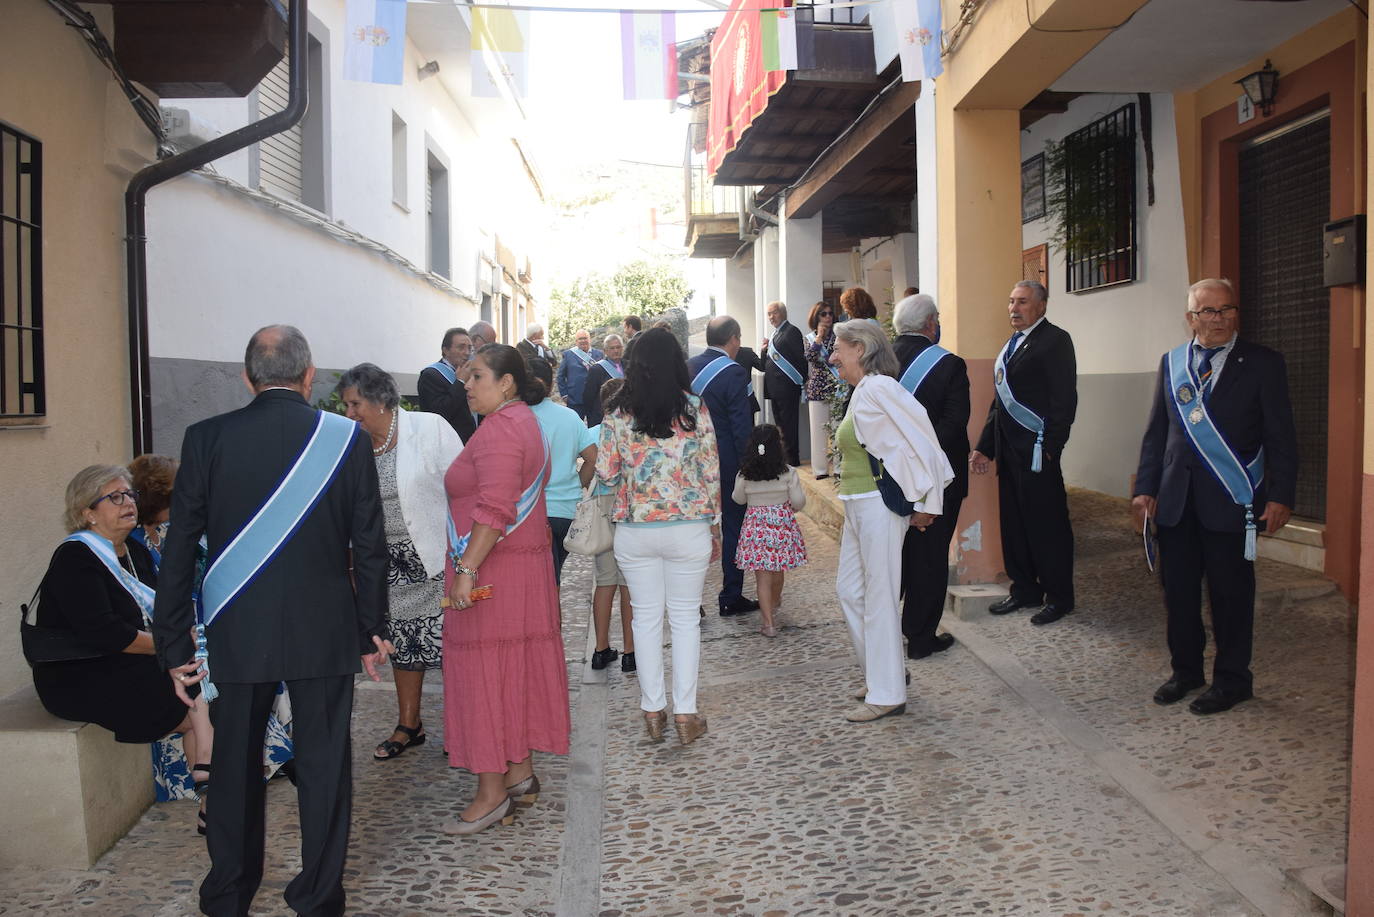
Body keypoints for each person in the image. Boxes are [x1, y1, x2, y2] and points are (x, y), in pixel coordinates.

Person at [152, 325, 391, 917]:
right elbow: (369, 542)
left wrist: (174, 641)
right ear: (309, 377)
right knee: (325, 764)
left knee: (233, 763)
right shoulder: (346, 438)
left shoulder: (206, 438)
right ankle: (318, 896)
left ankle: (229, 892)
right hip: (325, 626)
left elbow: (179, 548)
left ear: (247, 378)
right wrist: (371, 628)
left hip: (238, 624)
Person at [1132, 279, 1298, 715]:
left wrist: (1280, 494)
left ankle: (1233, 680)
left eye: (1227, 309)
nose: (1220, 319)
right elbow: (1157, 433)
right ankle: (1186, 672)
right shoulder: (1172, 363)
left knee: (1231, 596)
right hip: (1176, 501)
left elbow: (1281, 435)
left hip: (1232, 500)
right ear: (1191, 318)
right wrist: (1145, 489)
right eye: (1209, 311)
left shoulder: (1264, 363)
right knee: (1180, 596)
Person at [32, 465, 215, 823]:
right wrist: (173, 648)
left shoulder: (133, 550)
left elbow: (162, 614)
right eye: (115, 497)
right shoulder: (76, 558)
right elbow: (106, 634)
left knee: (204, 679)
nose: (128, 503)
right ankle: (212, 793)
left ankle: (212, 799)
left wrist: (182, 643)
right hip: (79, 675)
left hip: (129, 662)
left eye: (130, 495)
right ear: (87, 512)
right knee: (198, 691)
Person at [442, 344, 571, 834]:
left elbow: (495, 508)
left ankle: (491, 794)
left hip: (492, 574)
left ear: (506, 382)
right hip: (520, 570)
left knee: (486, 677)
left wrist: (466, 569)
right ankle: (519, 773)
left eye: (476, 376)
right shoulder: (523, 422)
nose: (467, 385)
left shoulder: (499, 429)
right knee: (512, 670)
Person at [596, 327, 721, 746]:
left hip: (636, 529)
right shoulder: (694, 408)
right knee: (685, 621)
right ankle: (685, 714)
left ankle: (653, 711)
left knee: (645, 620)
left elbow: (606, 474)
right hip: (689, 526)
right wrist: (715, 525)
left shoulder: (617, 413)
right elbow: (711, 471)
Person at [337, 363, 463, 760]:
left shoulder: (429, 428)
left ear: (379, 400)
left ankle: (463, 728)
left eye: (355, 404)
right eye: (346, 406)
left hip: (435, 557)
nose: (349, 413)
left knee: (452, 645)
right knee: (403, 644)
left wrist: (467, 556)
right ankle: (409, 724)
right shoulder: (353, 445)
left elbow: (464, 488)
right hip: (386, 568)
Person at [829, 320, 953, 723]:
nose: (832, 356)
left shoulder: (880, 388)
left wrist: (930, 501)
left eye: (838, 348)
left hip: (877, 505)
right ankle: (884, 673)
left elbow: (925, 441)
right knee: (850, 592)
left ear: (860, 349)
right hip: (857, 503)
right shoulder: (863, 390)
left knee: (879, 596)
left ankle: (887, 694)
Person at [971, 280, 1078, 626]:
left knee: (1047, 526)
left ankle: (1058, 597)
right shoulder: (1012, 344)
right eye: (1011, 301)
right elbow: (999, 403)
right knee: (1015, 526)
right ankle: (1025, 590)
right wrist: (985, 447)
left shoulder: (1055, 340)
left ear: (1041, 306)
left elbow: (1064, 400)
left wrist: (1051, 448)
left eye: (1022, 302)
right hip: (1009, 452)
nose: (1014, 309)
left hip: (1037, 454)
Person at [892, 294, 970, 660]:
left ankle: (886, 632)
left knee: (895, 555)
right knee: (930, 557)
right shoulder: (949, 364)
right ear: (929, 324)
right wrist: (920, 457)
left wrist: (902, 457)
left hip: (892, 477)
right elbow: (954, 424)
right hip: (937, 481)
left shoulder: (880, 360)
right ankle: (921, 637)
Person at [687, 316, 759, 618]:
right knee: (733, 527)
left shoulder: (688, 368)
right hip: (726, 460)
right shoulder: (734, 371)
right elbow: (742, 426)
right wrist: (750, 465)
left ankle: (691, 601)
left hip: (691, 461)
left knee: (692, 529)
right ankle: (730, 595)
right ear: (734, 338)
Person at [525, 356, 598, 584]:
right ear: (551, 384)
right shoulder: (569, 417)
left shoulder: (515, 418)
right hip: (565, 510)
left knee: (538, 581)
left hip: (529, 511)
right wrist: (576, 485)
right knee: (552, 577)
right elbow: (592, 458)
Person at [732, 424, 807, 637]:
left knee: (762, 578)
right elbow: (798, 501)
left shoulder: (745, 473)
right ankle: (775, 601)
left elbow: (738, 499)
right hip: (781, 526)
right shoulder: (788, 472)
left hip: (756, 528)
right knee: (778, 569)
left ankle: (768, 624)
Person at [587, 378, 635, 673]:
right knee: (629, 582)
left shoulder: (593, 432)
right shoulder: (632, 428)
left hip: (603, 506)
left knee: (604, 581)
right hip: (627, 505)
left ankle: (600, 649)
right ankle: (631, 651)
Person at [759, 301, 806, 467]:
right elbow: (763, 364)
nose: (771, 317)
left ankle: (792, 459)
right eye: (769, 314)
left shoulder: (791, 331)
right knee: (780, 425)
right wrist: (763, 350)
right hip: (774, 389)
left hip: (787, 388)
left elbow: (800, 358)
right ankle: (784, 457)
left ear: (783, 313)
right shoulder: (774, 335)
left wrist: (803, 381)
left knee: (789, 425)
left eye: (774, 313)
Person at [804, 301, 843, 479]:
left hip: (837, 387)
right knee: (818, 432)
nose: (828, 317)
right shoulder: (809, 338)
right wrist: (819, 338)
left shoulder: (838, 336)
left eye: (830, 313)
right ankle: (820, 470)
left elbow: (838, 357)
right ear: (816, 316)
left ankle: (839, 468)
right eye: (823, 314)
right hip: (817, 388)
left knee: (838, 430)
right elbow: (810, 356)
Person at [418, 327, 477, 442]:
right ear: (446, 350)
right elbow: (439, 413)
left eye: (470, 348)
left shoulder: (470, 373)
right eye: (461, 347)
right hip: (448, 442)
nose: (467, 353)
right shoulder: (431, 375)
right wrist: (460, 382)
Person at [556, 329, 603, 420]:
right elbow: (560, 376)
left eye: (585, 338)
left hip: (595, 399)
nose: (583, 341)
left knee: (595, 426)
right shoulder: (568, 355)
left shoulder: (599, 354)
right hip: (575, 399)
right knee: (575, 427)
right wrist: (564, 394)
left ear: (590, 339)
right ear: (576, 341)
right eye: (580, 339)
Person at [582, 334, 625, 427]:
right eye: (612, 348)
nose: (616, 350)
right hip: (604, 418)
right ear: (605, 351)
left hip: (626, 415)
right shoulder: (596, 369)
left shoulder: (630, 366)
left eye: (618, 347)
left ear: (623, 348)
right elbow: (588, 397)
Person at [734, 342, 765, 420]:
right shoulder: (720, 356)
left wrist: (764, 351)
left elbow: (762, 367)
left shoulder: (747, 353)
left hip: (747, 399)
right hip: (728, 402)